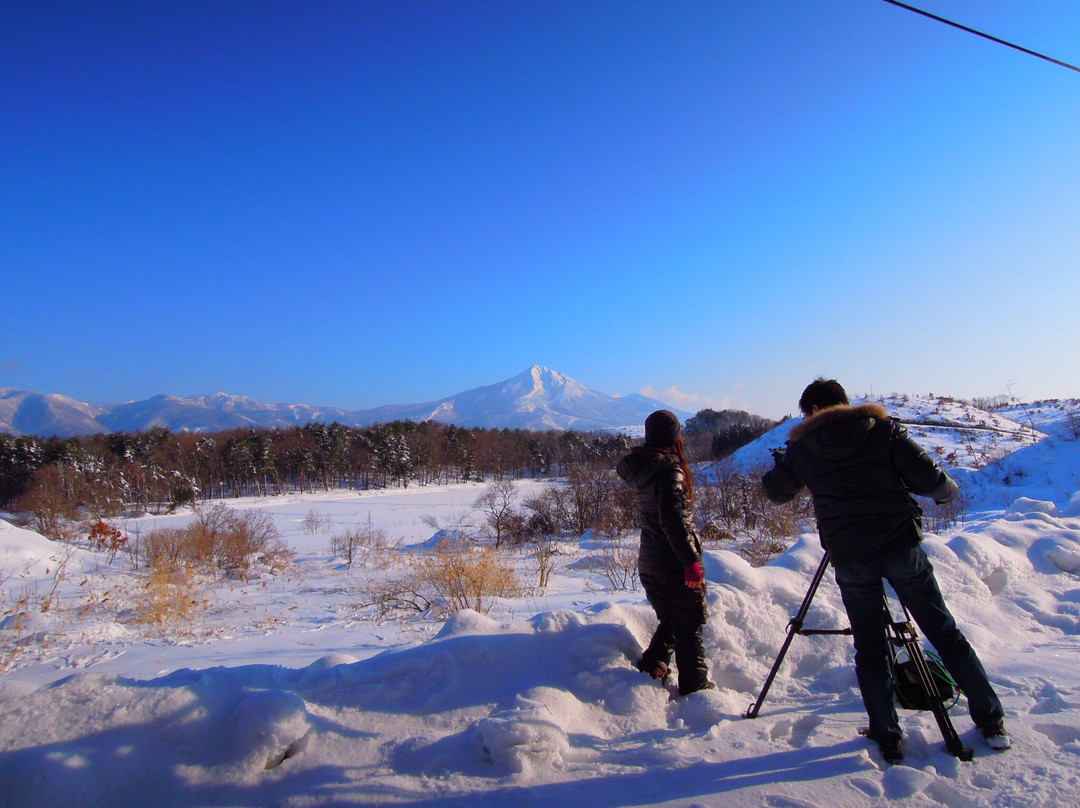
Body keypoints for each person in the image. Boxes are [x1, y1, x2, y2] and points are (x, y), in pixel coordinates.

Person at [762, 379, 1009, 764]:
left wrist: (793, 465)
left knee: (871, 646)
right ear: (844, 403)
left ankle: (887, 735)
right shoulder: (883, 431)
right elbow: (933, 483)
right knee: (944, 632)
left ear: (810, 412)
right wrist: (948, 493)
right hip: (899, 544)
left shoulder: (804, 448)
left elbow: (775, 493)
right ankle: (991, 722)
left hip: (850, 553)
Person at [616, 409, 713, 696]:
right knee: (690, 627)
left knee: (672, 620)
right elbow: (672, 519)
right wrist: (690, 563)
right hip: (673, 564)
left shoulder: (644, 469)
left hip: (650, 562)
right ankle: (696, 691)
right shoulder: (670, 469)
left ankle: (652, 665)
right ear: (675, 437)